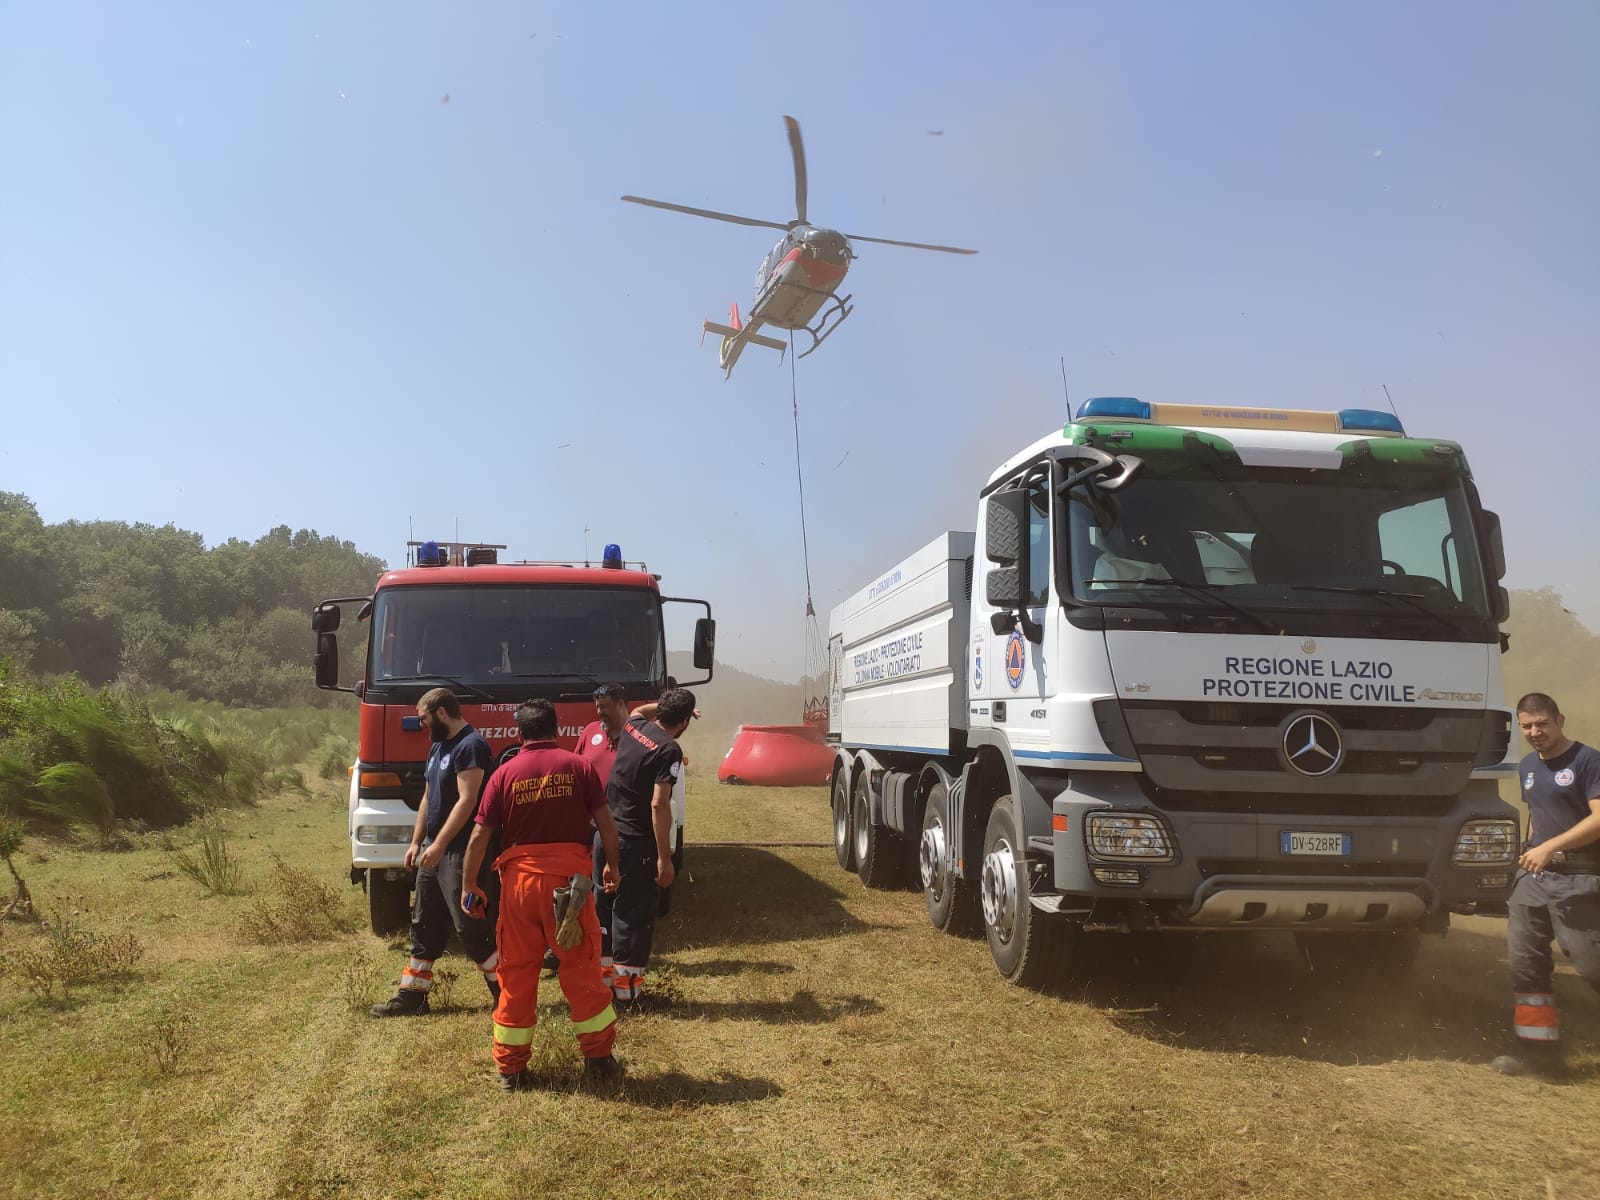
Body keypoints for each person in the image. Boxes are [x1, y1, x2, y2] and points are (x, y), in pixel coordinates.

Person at [462, 699, 624, 1091]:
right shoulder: (579, 767)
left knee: (516, 973)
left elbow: (480, 836)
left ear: (520, 734)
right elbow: (606, 823)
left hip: (519, 886)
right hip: (569, 885)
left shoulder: (504, 774)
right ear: (556, 729)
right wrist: (612, 867)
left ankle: (512, 1070)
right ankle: (599, 1061)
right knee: (581, 968)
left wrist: (469, 884)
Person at [370, 688, 500, 1017]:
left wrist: (440, 844)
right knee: (424, 922)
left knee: (470, 926)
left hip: (460, 851)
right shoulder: (438, 746)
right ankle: (413, 997)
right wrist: (417, 842)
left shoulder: (471, 746)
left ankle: (507, 993)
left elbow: (467, 800)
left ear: (442, 713)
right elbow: (428, 798)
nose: (421, 725)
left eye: (424, 718)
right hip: (434, 849)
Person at [1490, 692, 1600, 1077]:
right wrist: (1529, 853)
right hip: (1533, 879)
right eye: (1527, 726)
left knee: (1591, 965)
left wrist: (1551, 848)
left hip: (1579, 877)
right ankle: (1538, 1055)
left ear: (1560, 720)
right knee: (1526, 967)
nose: (1535, 732)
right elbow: (1537, 814)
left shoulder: (1589, 761)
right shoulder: (1527, 766)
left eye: (1542, 724)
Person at [595, 685, 696, 1008]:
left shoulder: (634, 727)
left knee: (605, 911)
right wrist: (665, 859)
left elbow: (642, 710)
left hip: (604, 835)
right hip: (634, 845)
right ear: (683, 722)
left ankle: (603, 986)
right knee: (632, 917)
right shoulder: (669, 750)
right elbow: (658, 805)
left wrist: (669, 706)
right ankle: (629, 996)